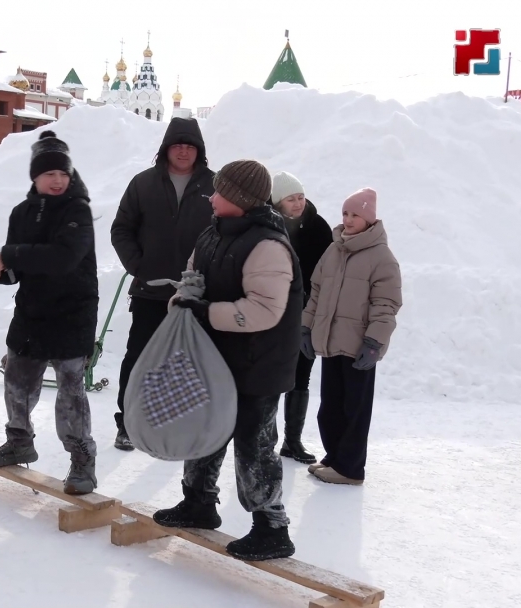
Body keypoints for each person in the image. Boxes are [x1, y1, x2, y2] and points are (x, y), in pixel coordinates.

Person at [152, 159, 302, 562]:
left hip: (258, 364)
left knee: (254, 444)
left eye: (219, 191)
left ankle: (272, 527)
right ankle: (199, 503)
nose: (211, 196)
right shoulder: (213, 233)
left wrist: (204, 313)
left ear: (238, 198)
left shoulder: (268, 245)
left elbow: (265, 311)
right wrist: (183, 300)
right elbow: (192, 278)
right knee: (205, 430)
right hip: (215, 356)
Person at [0, 130, 100, 496]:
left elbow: (63, 258)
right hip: (32, 313)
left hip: (72, 314)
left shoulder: (78, 210)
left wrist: (11, 256)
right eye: (50, 174)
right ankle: (19, 441)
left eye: (63, 173)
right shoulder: (22, 213)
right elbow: (21, 269)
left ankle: (82, 462)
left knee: (70, 392)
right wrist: (1, 273)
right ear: (35, 176)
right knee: (16, 381)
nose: (58, 180)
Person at [110, 117, 215, 450]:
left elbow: (226, 232)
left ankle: (178, 423)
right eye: (177, 145)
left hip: (195, 293)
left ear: (199, 151)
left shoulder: (215, 186)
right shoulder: (143, 183)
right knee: (139, 356)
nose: (183, 152)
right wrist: (139, 265)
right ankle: (127, 422)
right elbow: (121, 229)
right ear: (166, 149)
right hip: (150, 290)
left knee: (189, 360)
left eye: (190, 146)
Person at [301, 188, 402, 486]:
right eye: (345, 213)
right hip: (332, 342)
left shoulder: (381, 257)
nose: (347, 219)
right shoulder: (335, 250)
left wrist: (374, 343)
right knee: (330, 406)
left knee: (354, 409)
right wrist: (306, 328)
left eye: (355, 214)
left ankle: (351, 468)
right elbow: (316, 292)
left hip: (359, 345)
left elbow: (386, 304)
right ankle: (335, 457)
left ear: (369, 219)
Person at [270, 172, 333, 464]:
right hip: (273, 313)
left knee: (301, 376)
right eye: (290, 199)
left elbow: (329, 272)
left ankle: (292, 441)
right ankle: (262, 438)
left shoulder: (318, 227)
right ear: (277, 202)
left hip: (306, 312)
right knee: (269, 377)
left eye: (300, 197)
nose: (297, 203)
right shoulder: (268, 225)